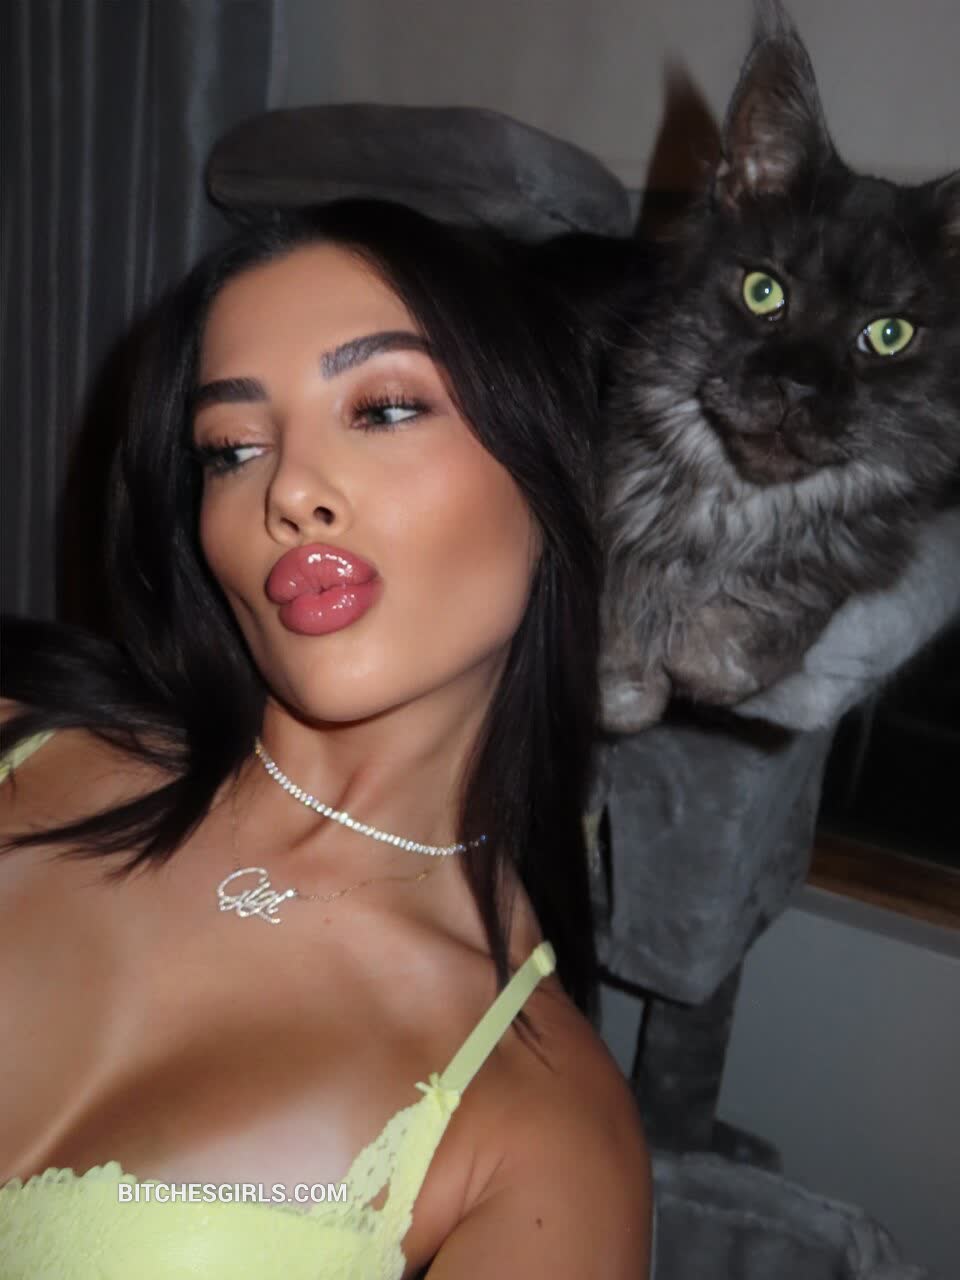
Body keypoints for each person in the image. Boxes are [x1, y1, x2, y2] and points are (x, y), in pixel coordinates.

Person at [0, 201, 652, 1278]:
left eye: (385, 408)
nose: (289, 489)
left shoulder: (549, 1133)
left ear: (552, 468)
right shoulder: (26, 734)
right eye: (232, 449)